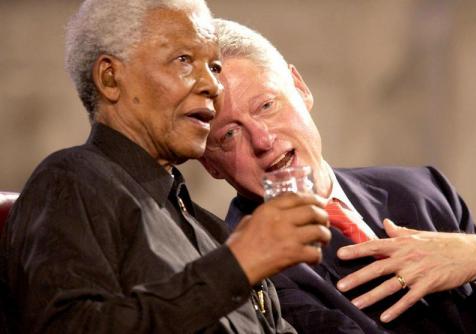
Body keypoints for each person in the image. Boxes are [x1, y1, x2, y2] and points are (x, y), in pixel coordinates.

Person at [0, 1, 333, 333]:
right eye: (184, 61)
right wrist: (236, 267)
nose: (212, 86)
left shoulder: (215, 233)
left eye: (214, 67)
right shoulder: (70, 181)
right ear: (110, 78)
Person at [200, 18, 476, 333]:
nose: (262, 141)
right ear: (210, 164)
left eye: (266, 105)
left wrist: (474, 254)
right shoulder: (244, 272)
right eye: (228, 135)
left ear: (300, 88)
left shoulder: (424, 189)